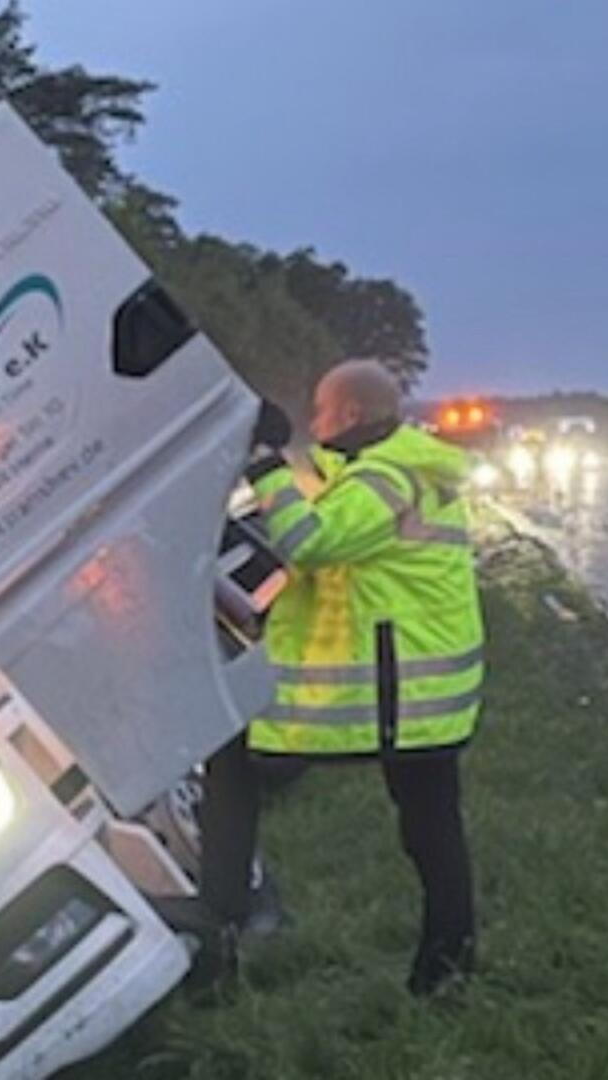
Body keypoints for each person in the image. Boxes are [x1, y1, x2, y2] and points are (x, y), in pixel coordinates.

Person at [202, 358, 485, 995]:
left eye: (323, 409)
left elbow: (311, 541)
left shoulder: (387, 477)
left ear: (352, 414)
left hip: (403, 693)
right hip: (418, 694)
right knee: (431, 826)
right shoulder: (391, 469)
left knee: (235, 762)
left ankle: (217, 937)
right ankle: (447, 965)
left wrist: (265, 461)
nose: (315, 419)